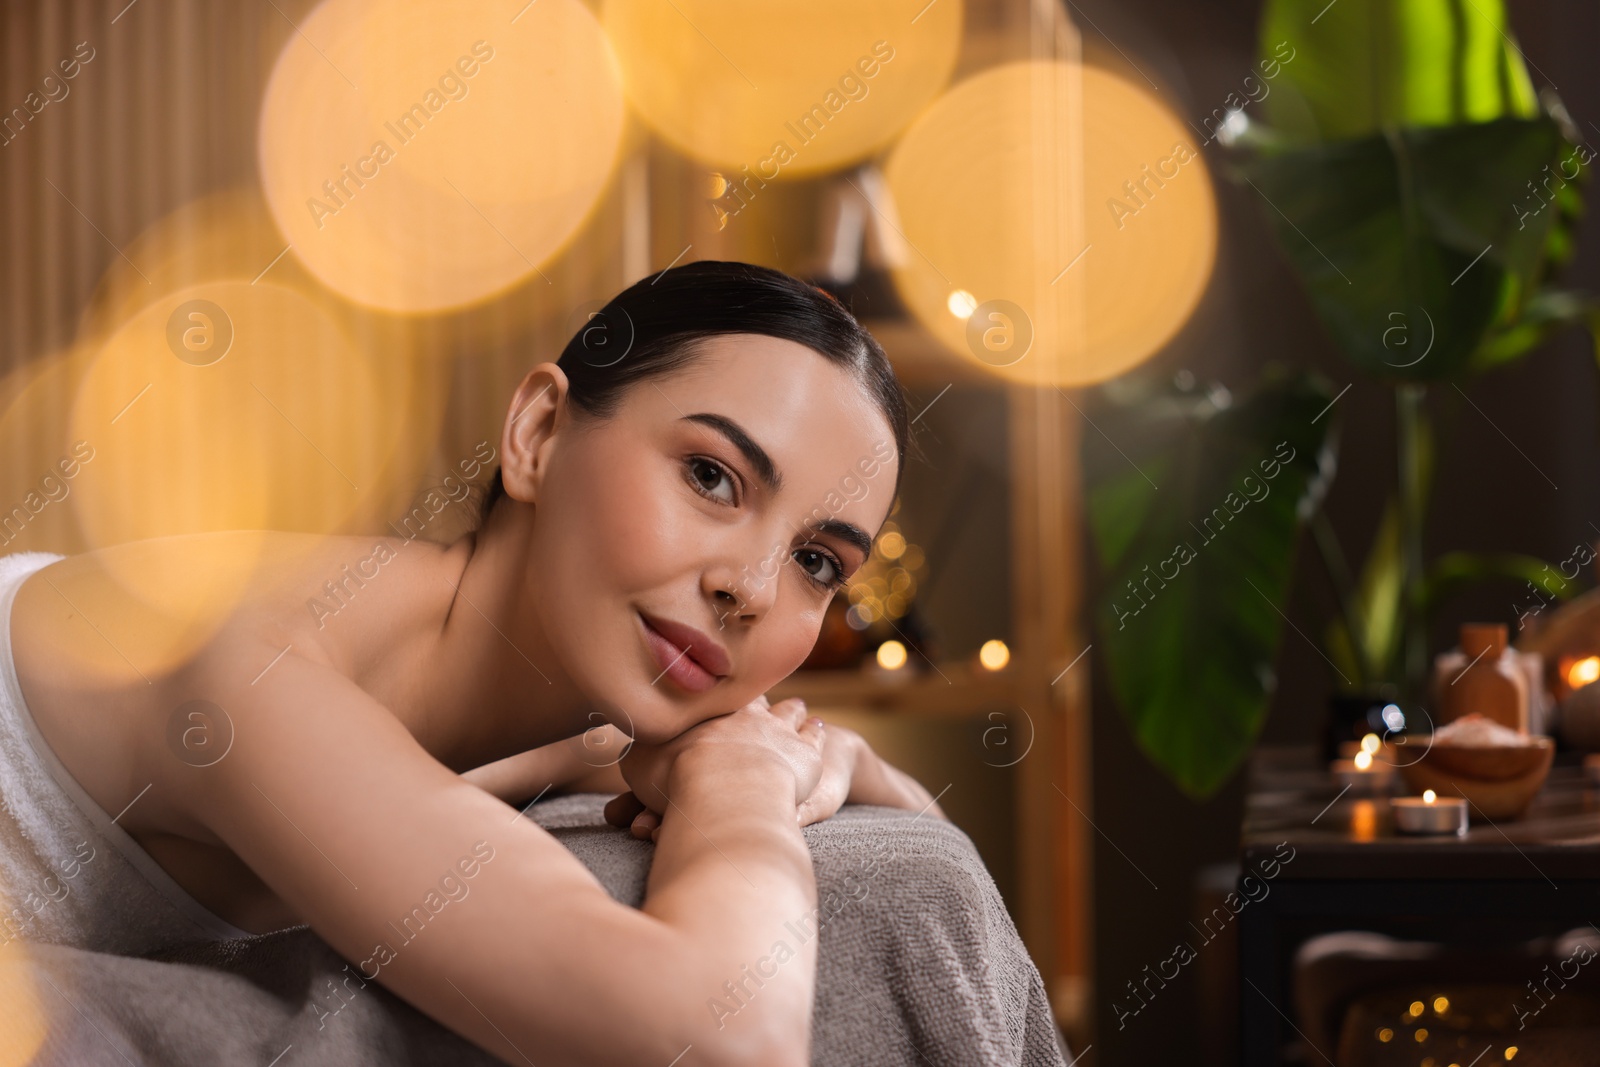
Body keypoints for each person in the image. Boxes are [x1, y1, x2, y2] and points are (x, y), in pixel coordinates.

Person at [1, 260, 945, 1066]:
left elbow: (936, 854)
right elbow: (723, 1031)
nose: (751, 586)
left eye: (818, 562)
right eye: (711, 476)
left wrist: (842, 757)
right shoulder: (239, 661)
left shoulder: (575, 725)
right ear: (537, 434)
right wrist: (742, 782)